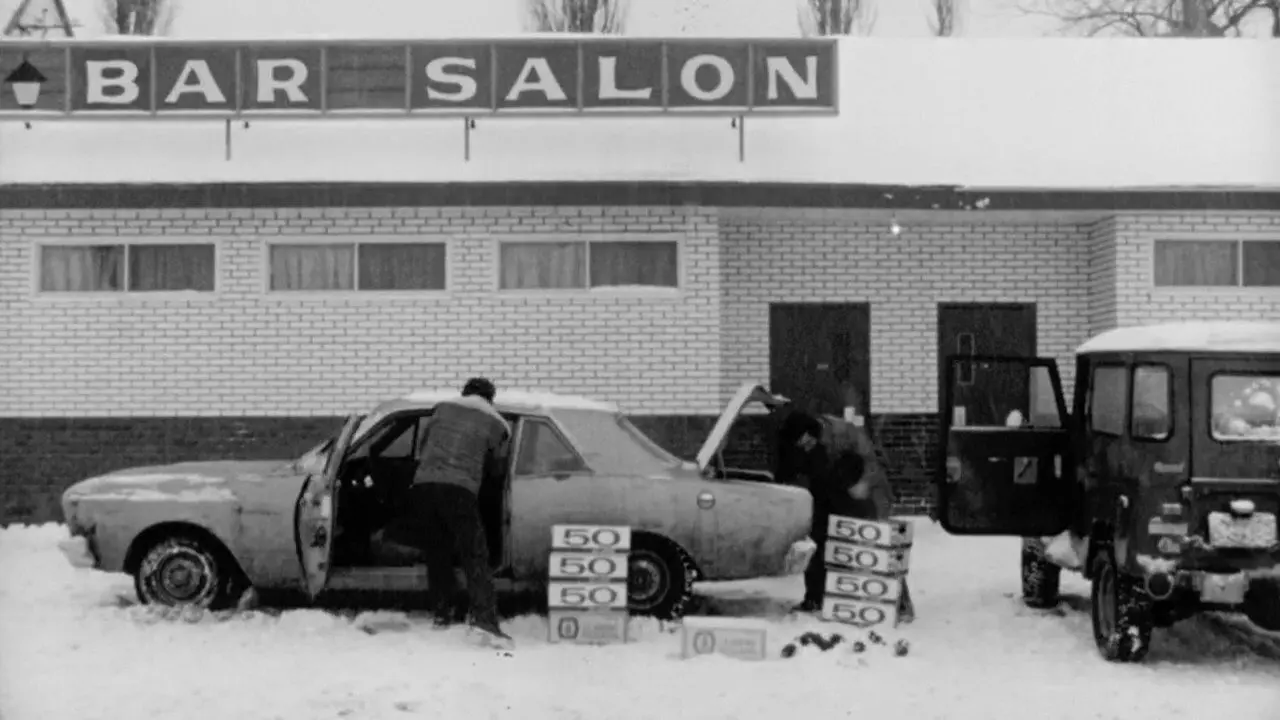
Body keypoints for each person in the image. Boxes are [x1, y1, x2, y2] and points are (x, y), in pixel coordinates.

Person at [776, 409, 914, 623]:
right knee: (818, 541)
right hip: (828, 491)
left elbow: (871, 461)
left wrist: (864, 483)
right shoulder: (799, 448)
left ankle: (900, 604)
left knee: (879, 544)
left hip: (865, 490)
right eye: (801, 446)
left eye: (807, 442)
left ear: (813, 432)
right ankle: (815, 599)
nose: (805, 447)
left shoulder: (844, 432)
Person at [409, 377, 513, 647]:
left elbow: (423, 447)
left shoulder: (441, 408)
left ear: (464, 392)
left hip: (424, 485)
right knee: (475, 555)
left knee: (437, 551)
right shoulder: (497, 423)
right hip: (460, 489)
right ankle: (485, 621)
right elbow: (497, 467)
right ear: (490, 398)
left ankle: (443, 613)